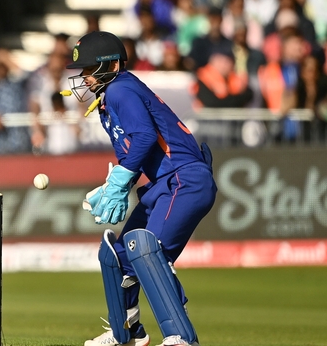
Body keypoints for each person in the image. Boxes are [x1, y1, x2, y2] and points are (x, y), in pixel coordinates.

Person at [63, 31, 216, 346]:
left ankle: (180, 337)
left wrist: (121, 178)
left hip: (185, 179)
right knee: (117, 255)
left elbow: (145, 137)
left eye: (90, 69)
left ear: (112, 65)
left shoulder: (121, 89)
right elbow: (133, 154)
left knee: (146, 252)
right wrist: (113, 186)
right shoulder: (108, 104)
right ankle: (128, 332)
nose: (85, 78)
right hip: (165, 183)